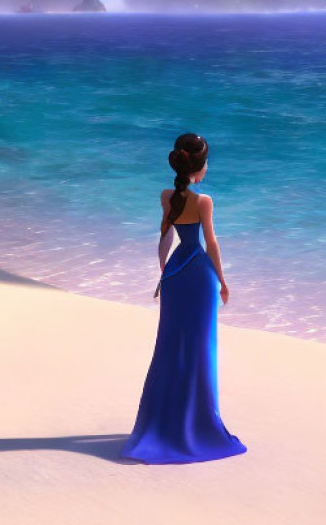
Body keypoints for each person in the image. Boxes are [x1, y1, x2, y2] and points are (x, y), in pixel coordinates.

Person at [120, 133, 248, 464]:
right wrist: (222, 279)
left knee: (170, 348)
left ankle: (162, 419)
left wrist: (164, 274)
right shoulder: (203, 201)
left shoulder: (167, 196)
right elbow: (212, 245)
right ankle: (198, 423)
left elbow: (164, 240)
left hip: (177, 274)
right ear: (199, 167)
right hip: (199, 275)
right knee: (199, 348)